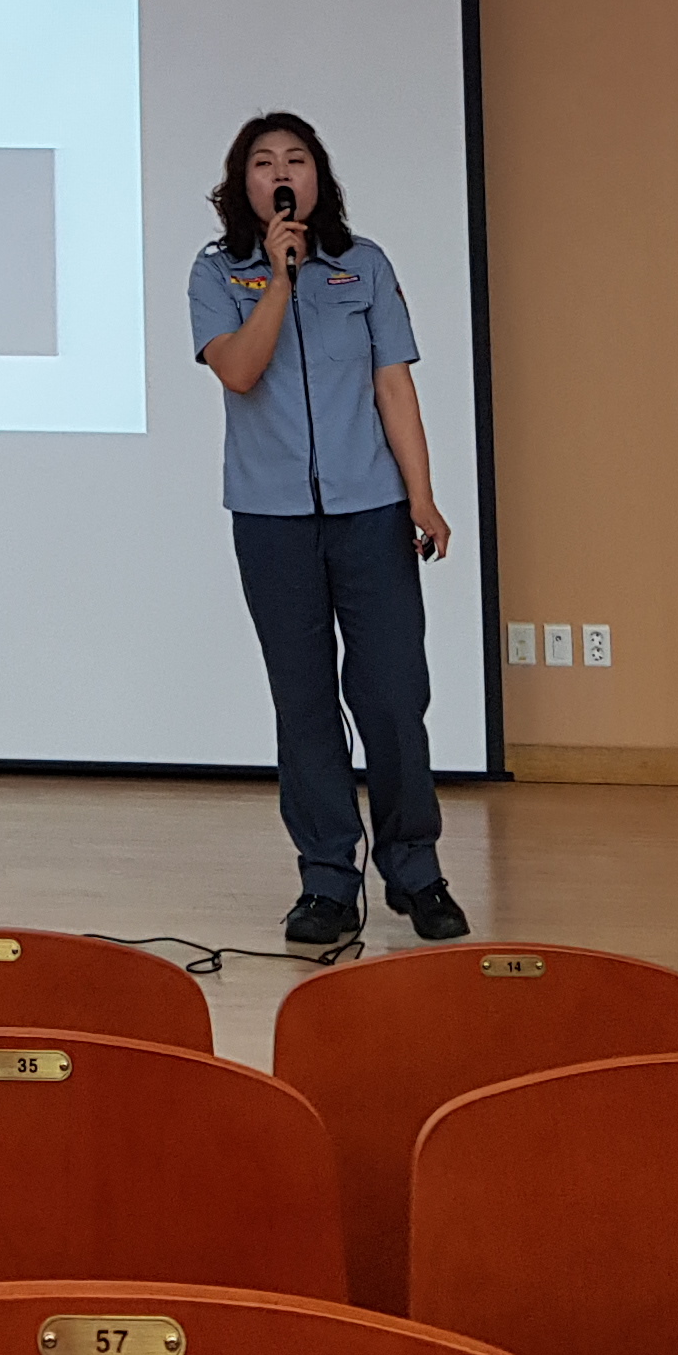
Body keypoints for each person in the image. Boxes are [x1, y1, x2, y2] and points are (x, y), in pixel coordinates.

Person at [190, 113, 467, 949]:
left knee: (392, 694)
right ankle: (326, 881)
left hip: (370, 511)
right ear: (243, 183)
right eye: (264, 162)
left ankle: (415, 872)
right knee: (304, 701)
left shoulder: (365, 265)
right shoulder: (217, 273)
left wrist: (422, 496)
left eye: (297, 160)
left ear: (319, 177)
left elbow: (393, 386)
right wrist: (277, 282)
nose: (282, 173)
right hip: (271, 520)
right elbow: (240, 371)